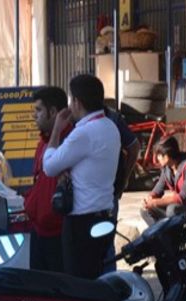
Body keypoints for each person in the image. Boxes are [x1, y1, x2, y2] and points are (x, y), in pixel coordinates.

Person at [43, 74, 120, 279]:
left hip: (81, 223)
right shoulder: (110, 127)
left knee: (80, 284)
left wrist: (57, 129)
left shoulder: (83, 133)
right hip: (104, 214)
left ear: (76, 101)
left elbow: (49, 166)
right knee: (99, 278)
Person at [25, 86, 72, 272]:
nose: (34, 116)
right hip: (38, 230)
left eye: (38, 110)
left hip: (59, 233)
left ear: (53, 112)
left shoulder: (71, 140)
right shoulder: (42, 143)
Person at [140, 136, 186, 227]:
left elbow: (183, 198)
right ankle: (162, 237)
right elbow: (158, 189)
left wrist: (154, 202)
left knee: (172, 209)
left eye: (159, 155)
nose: (157, 158)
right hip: (182, 209)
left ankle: (172, 236)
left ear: (166, 156)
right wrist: (149, 198)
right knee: (145, 210)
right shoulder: (167, 168)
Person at [102, 108, 141, 273]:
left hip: (106, 194)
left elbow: (134, 147)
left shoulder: (113, 119)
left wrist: (124, 177)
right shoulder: (112, 118)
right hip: (107, 194)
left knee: (105, 247)